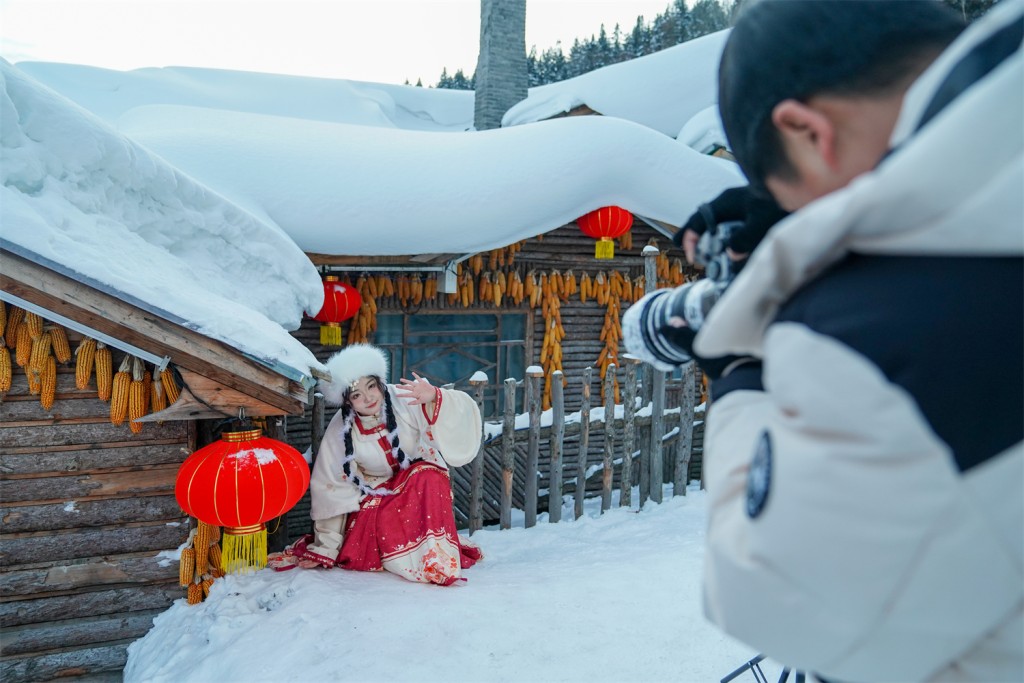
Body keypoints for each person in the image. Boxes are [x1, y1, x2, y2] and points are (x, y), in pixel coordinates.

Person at [626, 0, 1023, 680]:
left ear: (808, 131)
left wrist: (741, 373)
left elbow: (773, 597)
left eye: (793, 197)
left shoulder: (875, 341)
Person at [275, 344, 483, 585]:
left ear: (380, 383)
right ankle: (408, 558)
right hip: (379, 495)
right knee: (379, 521)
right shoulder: (341, 430)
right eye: (356, 395)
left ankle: (436, 558)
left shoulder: (403, 399)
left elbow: (454, 418)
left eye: (371, 386)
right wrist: (326, 547)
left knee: (429, 476)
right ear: (347, 401)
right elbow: (332, 486)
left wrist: (435, 398)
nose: (368, 398)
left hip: (419, 487)